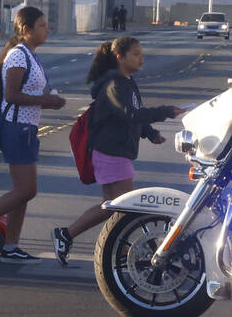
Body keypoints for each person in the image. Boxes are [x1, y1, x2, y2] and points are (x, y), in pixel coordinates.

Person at [52, 37, 182, 266]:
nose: (141, 58)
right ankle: (114, 249)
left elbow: (134, 115)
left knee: (114, 205)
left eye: (142, 54)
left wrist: (150, 133)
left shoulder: (127, 82)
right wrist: (165, 111)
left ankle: (73, 236)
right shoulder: (114, 85)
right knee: (122, 206)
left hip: (114, 152)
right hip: (111, 152)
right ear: (120, 57)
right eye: (135, 54)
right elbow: (129, 114)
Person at [0, 6, 66, 263]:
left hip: (27, 129)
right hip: (16, 128)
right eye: (42, 25)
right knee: (26, 189)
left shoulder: (30, 55)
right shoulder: (19, 56)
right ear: (26, 30)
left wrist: (46, 101)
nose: (47, 30)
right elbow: (12, 95)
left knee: (24, 191)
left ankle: (11, 246)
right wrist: (47, 101)